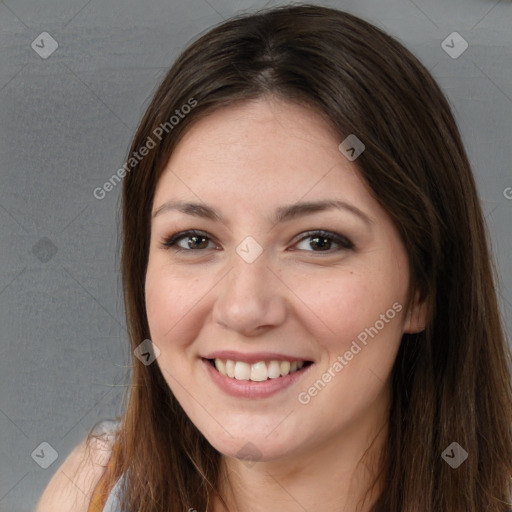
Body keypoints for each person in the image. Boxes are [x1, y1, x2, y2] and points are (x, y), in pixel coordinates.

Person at [36, 4, 512, 511]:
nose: (243, 309)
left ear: (423, 286)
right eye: (195, 240)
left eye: (318, 242)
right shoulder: (97, 487)